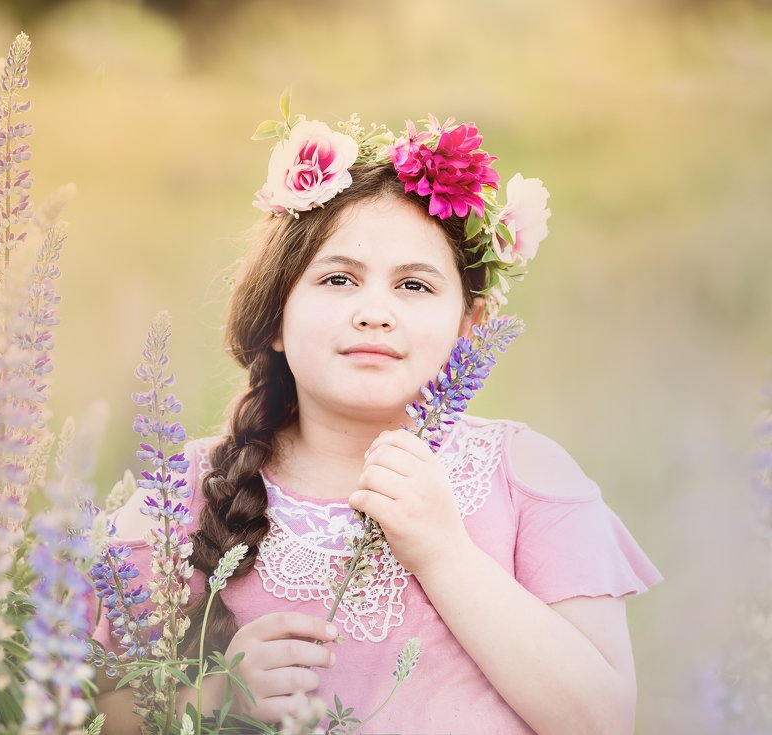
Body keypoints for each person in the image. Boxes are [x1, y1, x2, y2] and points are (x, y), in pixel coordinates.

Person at [92, 108, 662, 734]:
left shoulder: (527, 476)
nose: (374, 312)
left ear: (468, 326)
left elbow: (603, 721)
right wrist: (215, 699)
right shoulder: (177, 498)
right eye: (339, 279)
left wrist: (445, 555)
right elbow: (94, 711)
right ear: (277, 315)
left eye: (414, 287)